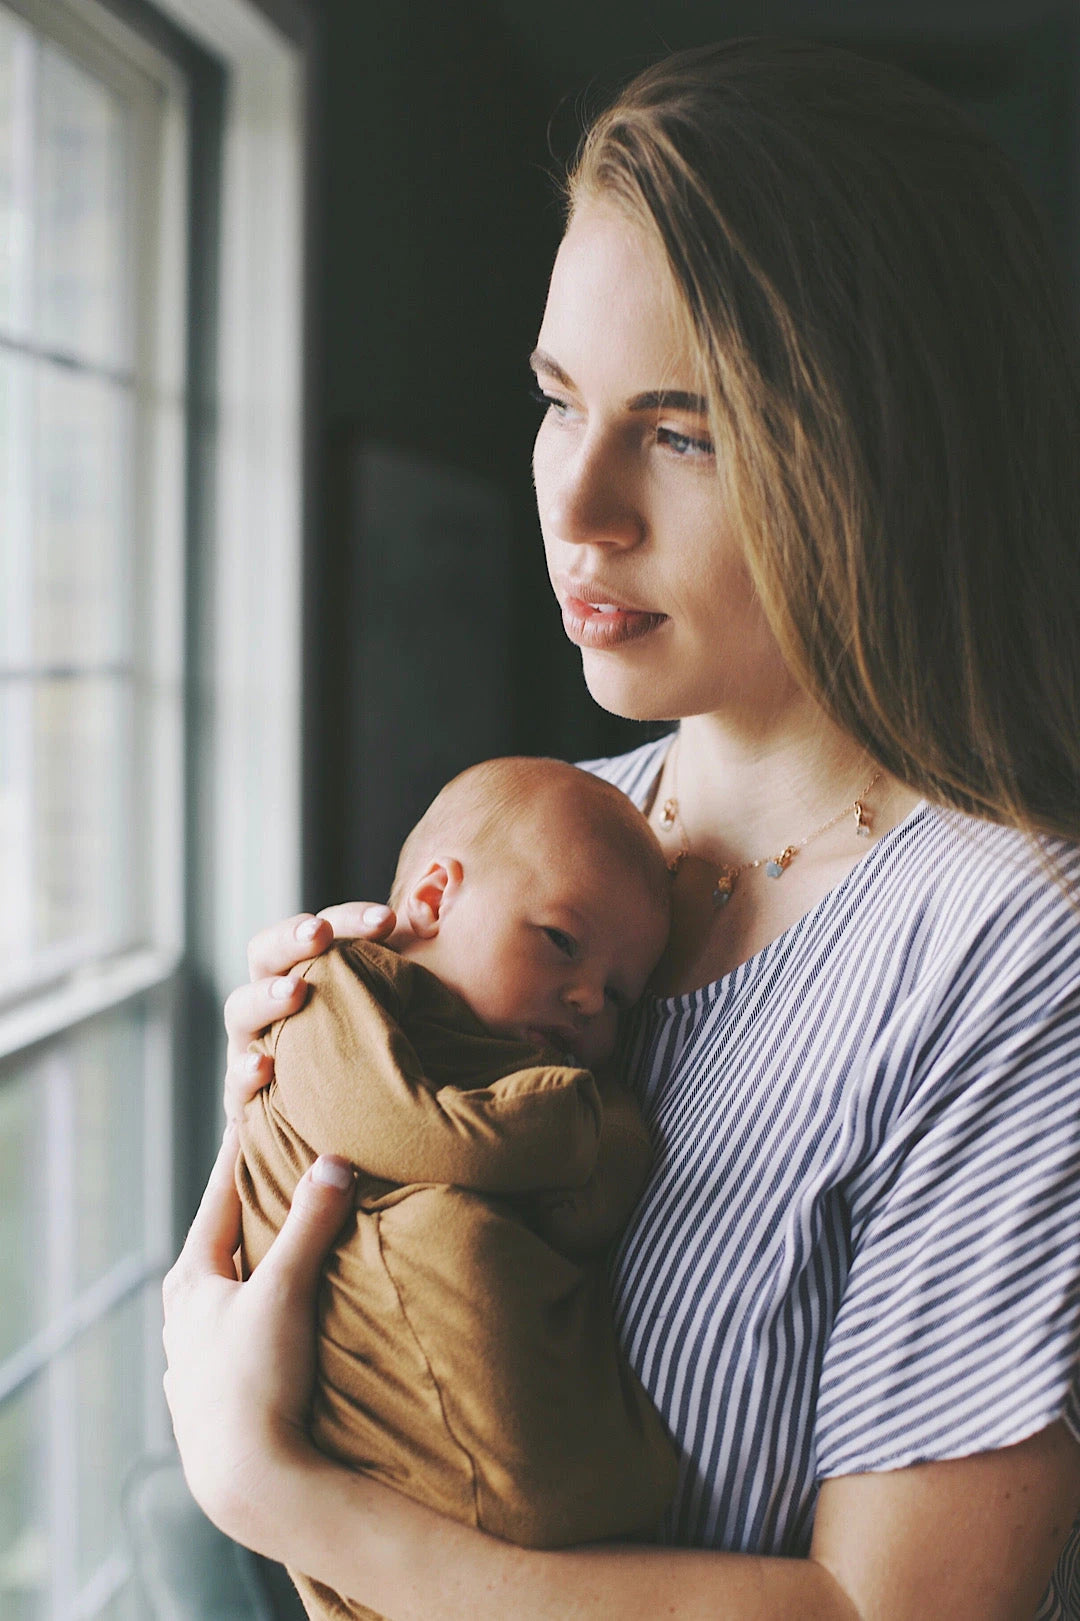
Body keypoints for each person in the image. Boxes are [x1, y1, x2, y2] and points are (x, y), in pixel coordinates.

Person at [162, 38, 1080, 1621]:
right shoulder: (575, 833)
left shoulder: (1009, 949)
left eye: (684, 431)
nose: (578, 503)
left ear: (887, 460)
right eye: (557, 398)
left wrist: (273, 1491)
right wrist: (310, 1127)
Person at [235, 756, 676, 1621]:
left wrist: (591, 1137)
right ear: (434, 897)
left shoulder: (534, 1076)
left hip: (528, 1529)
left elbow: (587, 1214)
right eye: (559, 939)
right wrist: (575, 1131)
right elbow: (409, 1131)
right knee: (450, 1232)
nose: (588, 997)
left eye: (620, 994)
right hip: (376, 1403)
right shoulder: (336, 986)